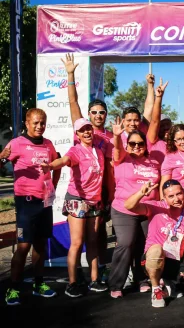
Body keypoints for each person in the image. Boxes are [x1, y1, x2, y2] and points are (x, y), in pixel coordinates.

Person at [61, 53, 114, 280]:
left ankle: (98, 272)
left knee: (99, 236)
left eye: (102, 112)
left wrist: (112, 194)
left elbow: (113, 167)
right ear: (89, 115)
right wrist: (70, 75)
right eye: (94, 112)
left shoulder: (111, 137)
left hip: (101, 193)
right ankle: (76, 279)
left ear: (106, 115)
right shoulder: (82, 130)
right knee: (80, 239)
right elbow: (73, 103)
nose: (98, 115)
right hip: (81, 194)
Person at [42, 118, 108, 297]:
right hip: (77, 199)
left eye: (88, 129)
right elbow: (64, 161)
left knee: (93, 241)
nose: (87, 132)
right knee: (77, 242)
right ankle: (72, 283)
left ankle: (94, 280)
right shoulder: (76, 150)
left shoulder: (99, 151)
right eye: (82, 130)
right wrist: (50, 166)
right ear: (77, 135)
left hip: (95, 201)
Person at [123, 180, 184, 308]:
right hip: (153, 259)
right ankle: (156, 290)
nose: (176, 199)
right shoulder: (156, 207)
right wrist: (141, 193)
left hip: (176, 260)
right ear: (164, 198)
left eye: (179, 194)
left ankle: (171, 284)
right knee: (156, 250)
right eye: (171, 196)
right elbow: (128, 206)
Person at [3, 108, 60, 305]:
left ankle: (38, 284)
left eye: (42, 123)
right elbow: (2, 162)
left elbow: (56, 164)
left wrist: (53, 186)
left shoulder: (48, 144)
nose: (39, 126)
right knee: (23, 246)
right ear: (27, 124)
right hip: (25, 202)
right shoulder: (17, 143)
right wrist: (2, 157)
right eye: (35, 123)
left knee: (40, 245)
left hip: (44, 201)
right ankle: (13, 288)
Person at [108, 119, 160, 298]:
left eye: (140, 143)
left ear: (145, 145)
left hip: (147, 210)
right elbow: (117, 149)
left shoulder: (153, 162)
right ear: (127, 146)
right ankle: (116, 284)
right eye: (133, 144)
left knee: (144, 246)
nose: (137, 146)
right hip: (125, 210)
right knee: (125, 243)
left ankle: (142, 279)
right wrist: (116, 136)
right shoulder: (122, 158)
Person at [146, 77, 172, 164]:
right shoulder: (152, 141)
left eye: (167, 124)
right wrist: (159, 97)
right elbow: (154, 121)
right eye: (162, 125)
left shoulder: (178, 144)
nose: (165, 128)